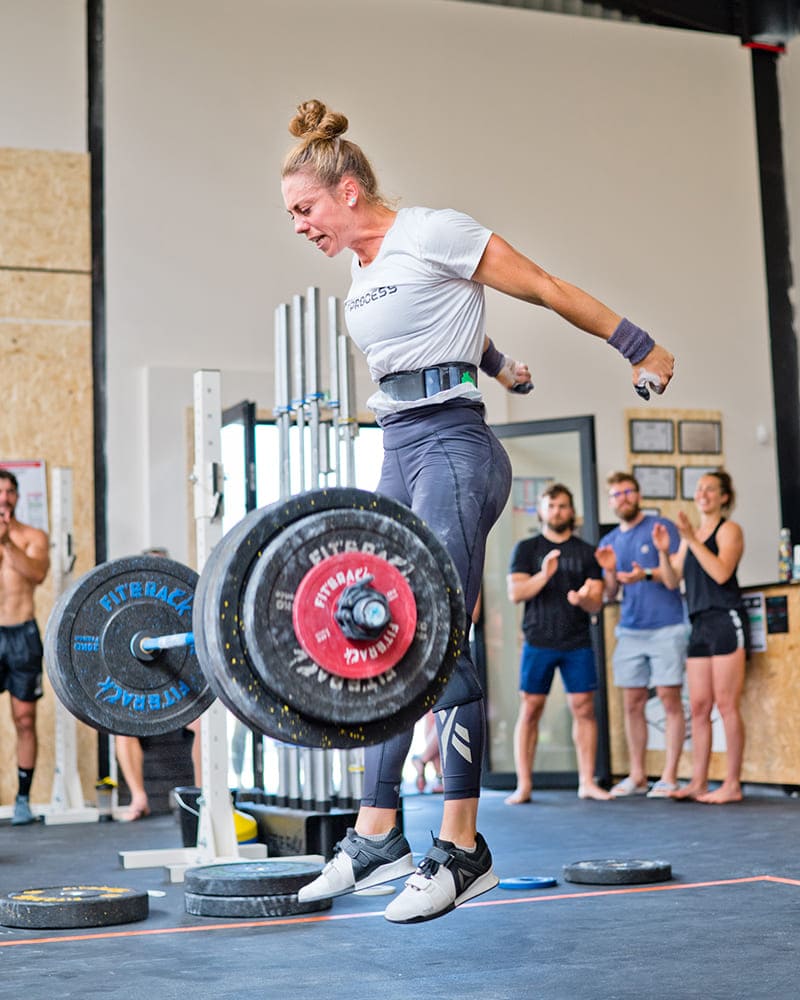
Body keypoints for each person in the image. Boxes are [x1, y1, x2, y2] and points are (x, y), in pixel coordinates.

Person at [281, 98, 674, 923]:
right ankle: (377, 832)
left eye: (304, 209)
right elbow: (436, 321)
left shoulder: (433, 230)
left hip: (456, 449)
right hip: (398, 447)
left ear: (346, 191)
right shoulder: (363, 268)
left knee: (435, 633)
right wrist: (500, 362)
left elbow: (538, 284)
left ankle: (462, 847)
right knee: (376, 631)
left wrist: (637, 344)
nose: (298, 226)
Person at [505, 484, 611, 804]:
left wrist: (583, 598)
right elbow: (516, 593)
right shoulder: (526, 549)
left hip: (577, 641)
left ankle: (586, 781)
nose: (557, 511)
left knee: (583, 709)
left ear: (571, 510)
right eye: (551, 506)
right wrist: (544, 575)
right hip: (538, 640)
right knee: (532, 709)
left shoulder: (587, 552)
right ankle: (524, 785)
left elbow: (597, 602)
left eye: (563, 506)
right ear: (541, 511)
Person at [654, 469, 747, 804]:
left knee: (726, 704)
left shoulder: (729, 530)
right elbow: (670, 579)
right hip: (699, 624)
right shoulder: (690, 537)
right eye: (699, 489)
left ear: (724, 496)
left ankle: (732, 784)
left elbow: (722, 572)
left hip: (725, 620)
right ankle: (699, 781)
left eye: (710, 489)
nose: (703, 494)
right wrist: (665, 551)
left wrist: (691, 539)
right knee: (698, 706)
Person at [595, 472, 688, 798]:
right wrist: (608, 571)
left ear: (638, 494)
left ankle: (669, 776)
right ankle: (637, 775)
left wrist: (650, 567)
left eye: (628, 491)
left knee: (669, 699)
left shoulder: (660, 528)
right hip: (630, 629)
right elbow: (609, 593)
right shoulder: (609, 542)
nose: (623, 497)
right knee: (633, 703)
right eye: (616, 493)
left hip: (667, 626)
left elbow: (674, 579)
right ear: (611, 501)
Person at [115, 547, 203, 820]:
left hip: (177, 689)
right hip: (142, 693)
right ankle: (139, 798)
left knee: (203, 724)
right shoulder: (128, 613)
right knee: (122, 728)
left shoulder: (182, 606)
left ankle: (202, 797)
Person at [0, 469, 50, 825]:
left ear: (17, 496)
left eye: (9, 492)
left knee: (25, 719)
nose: (3, 497)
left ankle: (22, 799)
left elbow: (37, 573)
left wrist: (6, 543)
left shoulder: (33, 537)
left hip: (23, 635)